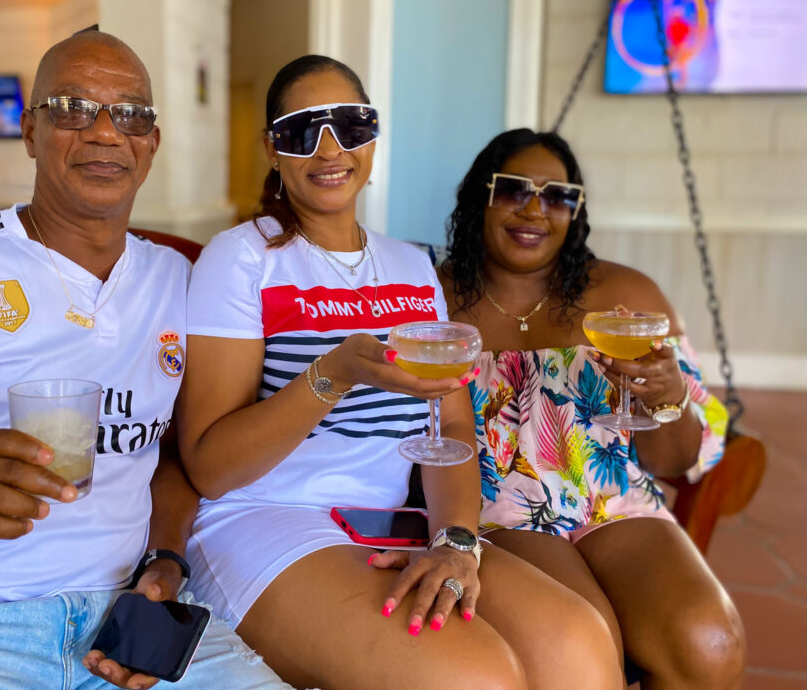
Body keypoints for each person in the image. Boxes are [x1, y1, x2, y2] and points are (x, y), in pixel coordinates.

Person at [0, 31, 292, 690]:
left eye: (130, 114)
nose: (104, 132)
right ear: (29, 131)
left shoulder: (183, 280)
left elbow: (181, 454)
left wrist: (166, 560)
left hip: (120, 622)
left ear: (151, 142)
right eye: (71, 107)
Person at [166, 56, 622, 690]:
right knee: (476, 678)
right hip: (266, 518)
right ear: (275, 148)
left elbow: (452, 422)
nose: (331, 148)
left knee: (579, 647)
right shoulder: (241, 258)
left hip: (388, 520)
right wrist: (335, 372)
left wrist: (458, 542)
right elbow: (212, 466)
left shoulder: (411, 268)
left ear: (372, 137)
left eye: (351, 125)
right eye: (303, 129)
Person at [441, 128, 746, 688]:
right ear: (480, 196)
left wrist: (668, 396)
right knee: (586, 653)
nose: (535, 209)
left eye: (557, 196)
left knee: (711, 643)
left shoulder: (630, 299)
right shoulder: (432, 295)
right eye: (514, 190)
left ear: (575, 213)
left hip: (614, 503)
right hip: (500, 510)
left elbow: (676, 462)